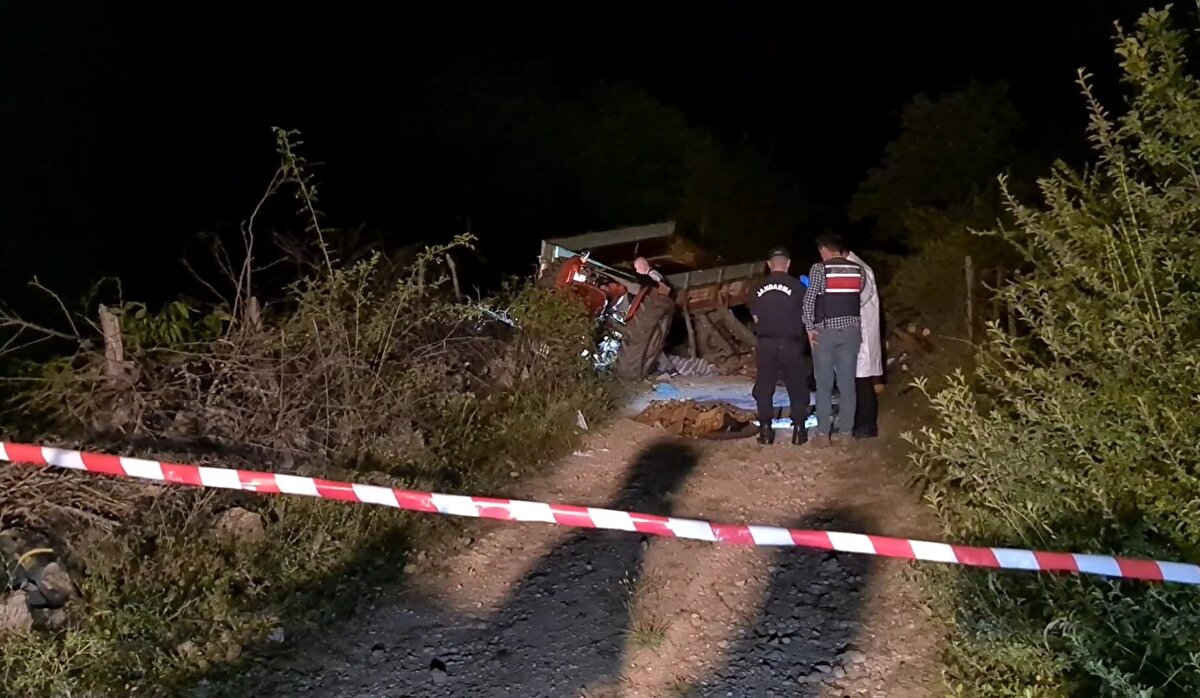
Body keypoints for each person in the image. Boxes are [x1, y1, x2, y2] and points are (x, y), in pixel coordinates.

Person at [802, 232, 865, 446]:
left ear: (824, 249)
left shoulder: (820, 269)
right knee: (848, 384)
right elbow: (859, 296)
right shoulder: (858, 270)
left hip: (826, 332)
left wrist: (809, 328)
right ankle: (846, 434)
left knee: (824, 385)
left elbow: (809, 300)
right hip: (851, 332)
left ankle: (823, 435)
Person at [747, 246, 809, 446]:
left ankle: (766, 430)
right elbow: (806, 316)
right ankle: (799, 431)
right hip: (791, 342)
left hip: (766, 343)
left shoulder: (757, 287)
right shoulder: (799, 287)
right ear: (788, 264)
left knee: (765, 387)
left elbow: (755, 317)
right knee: (797, 386)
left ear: (768, 264)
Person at [845, 248, 884, 438]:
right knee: (859, 381)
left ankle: (867, 426)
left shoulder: (860, 269)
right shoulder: (854, 267)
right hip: (858, 332)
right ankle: (860, 422)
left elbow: (857, 299)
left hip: (863, 335)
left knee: (864, 382)